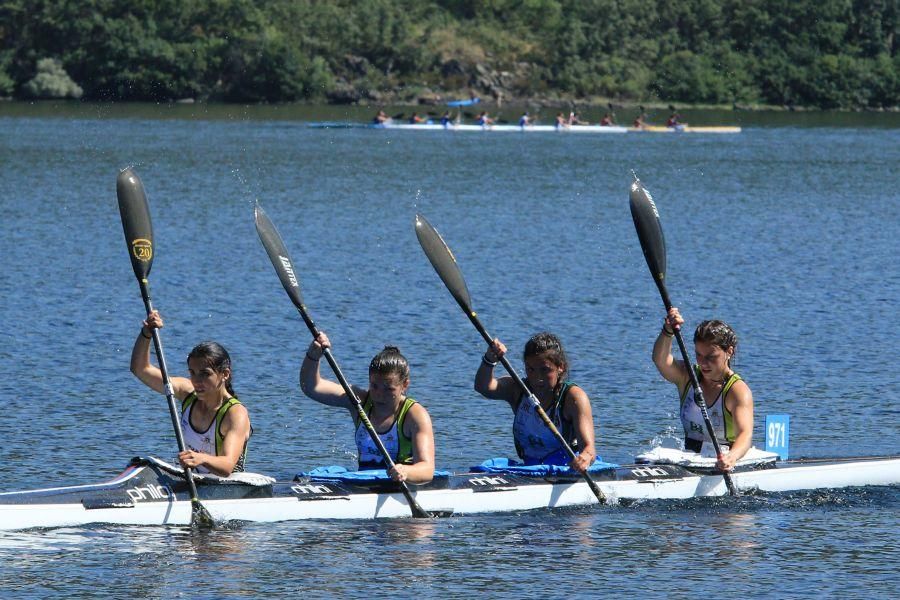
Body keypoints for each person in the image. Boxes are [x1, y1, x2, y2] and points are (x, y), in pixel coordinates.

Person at [300, 333, 435, 484]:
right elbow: (311, 387)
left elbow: (427, 469)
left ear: (405, 385)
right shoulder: (359, 401)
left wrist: (405, 471)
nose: (379, 395)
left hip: (401, 483)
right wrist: (313, 355)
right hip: (364, 483)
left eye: (388, 389)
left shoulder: (415, 415)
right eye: (374, 386)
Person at [130, 310, 252, 477]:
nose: (197, 381)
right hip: (193, 480)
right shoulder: (187, 393)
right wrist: (146, 333)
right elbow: (140, 369)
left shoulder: (235, 414)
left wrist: (201, 458)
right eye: (192, 372)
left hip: (229, 487)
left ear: (225, 374)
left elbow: (227, 466)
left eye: (205, 373)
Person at [475, 333, 598, 473]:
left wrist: (585, 458)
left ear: (560, 367)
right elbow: (483, 387)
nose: (537, 378)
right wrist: (489, 360)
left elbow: (589, 450)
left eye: (545, 370)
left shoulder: (574, 397)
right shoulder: (518, 390)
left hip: (566, 468)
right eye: (531, 369)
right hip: (531, 468)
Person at [652, 307, 753, 471]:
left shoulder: (737, 391)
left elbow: (745, 434)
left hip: (722, 461)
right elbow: (660, 360)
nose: (703, 363)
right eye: (698, 355)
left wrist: (731, 457)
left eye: (711, 357)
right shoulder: (687, 377)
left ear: (729, 352)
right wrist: (668, 331)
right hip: (690, 459)